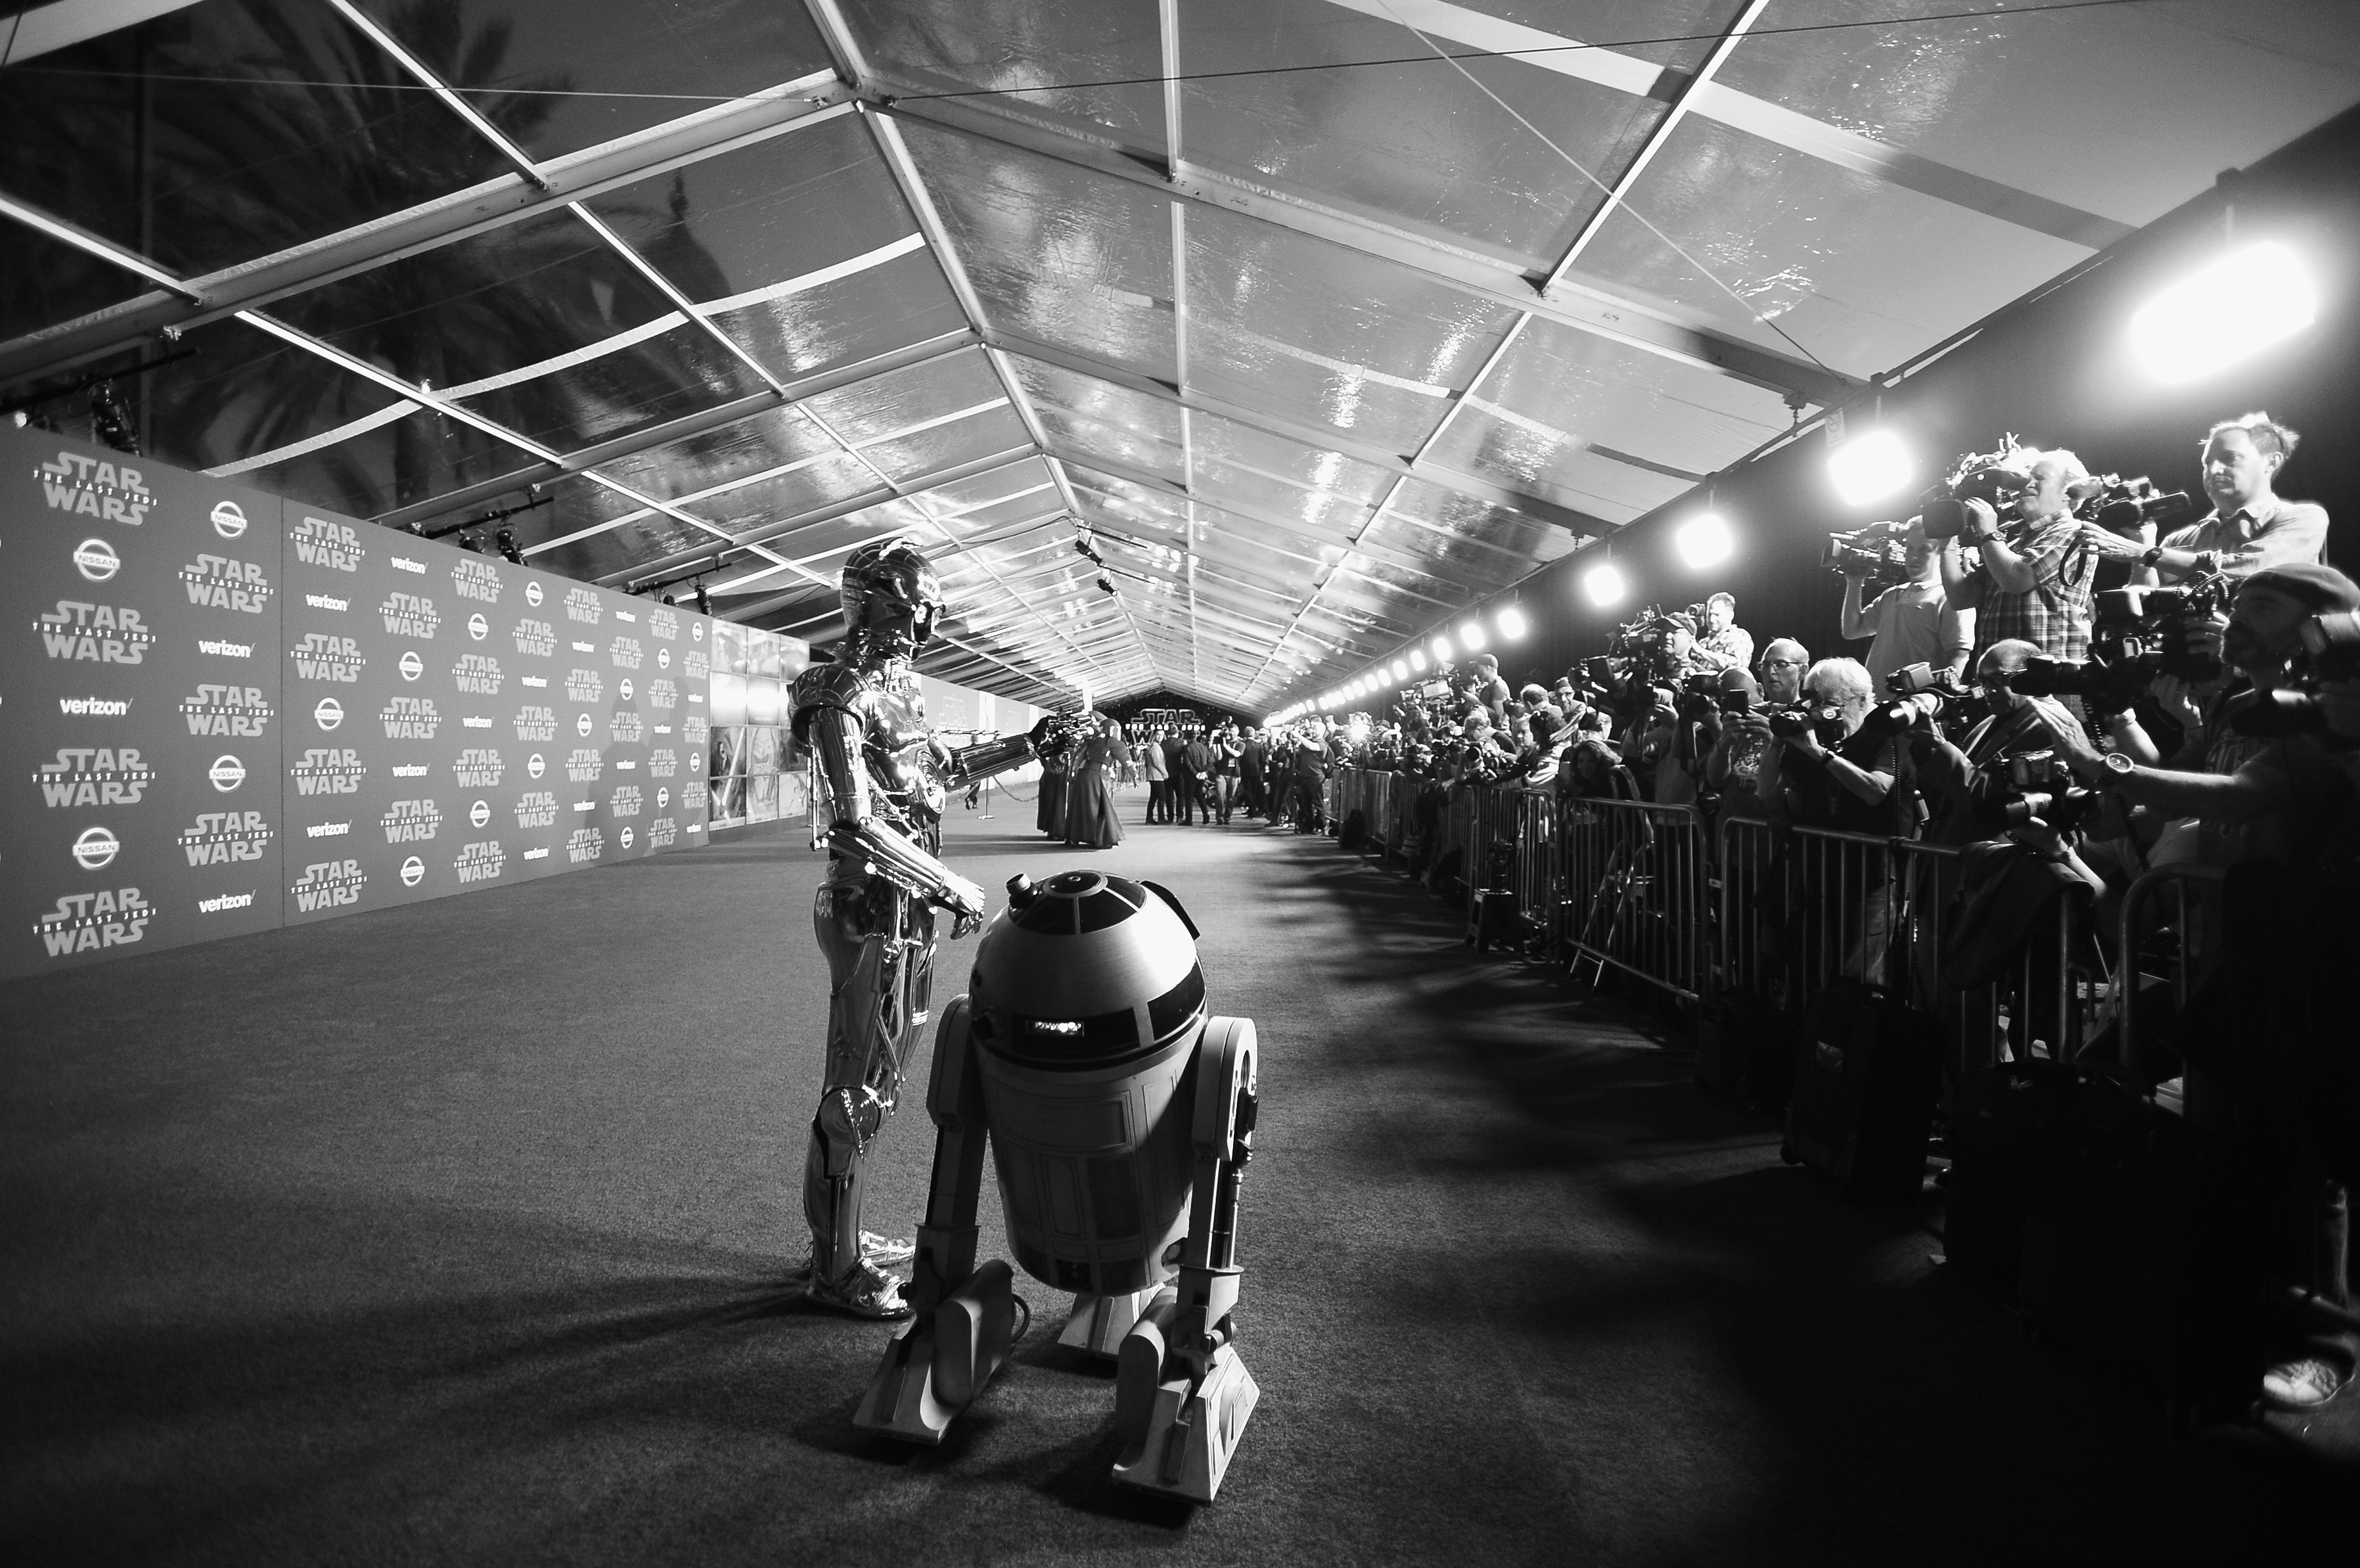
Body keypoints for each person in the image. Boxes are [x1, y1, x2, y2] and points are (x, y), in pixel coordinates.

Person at [787, 538, 989, 1318]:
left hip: (908, 912)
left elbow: (941, 774)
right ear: (866, 601)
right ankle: (834, 1267)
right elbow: (855, 820)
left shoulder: (900, 696)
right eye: (905, 607)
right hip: (868, 906)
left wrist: (1033, 743)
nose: (917, 626)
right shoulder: (836, 691)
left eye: (925, 612)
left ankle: (834, 1242)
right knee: (858, 1087)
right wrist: (951, 882)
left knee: (882, 1084)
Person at [2098, 412, 2328, 587]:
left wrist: (2145, 553)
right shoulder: (2177, 541)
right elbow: (2145, 609)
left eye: (2230, 458)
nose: (2214, 469)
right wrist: (2144, 542)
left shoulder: (2303, 519)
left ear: (2271, 462)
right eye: (2207, 463)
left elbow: (2252, 569)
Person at [1943, 447, 2098, 667]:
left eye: (2040, 478)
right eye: (2027, 478)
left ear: (2068, 493)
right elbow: (1962, 597)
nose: (2028, 484)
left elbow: (2018, 579)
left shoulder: (2074, 532)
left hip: (2050, 682)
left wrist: (1989, 533)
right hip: (2003, 680)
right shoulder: (2011, 546)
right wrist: (1946, 543)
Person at [1841, 520, 1970, 697]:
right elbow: (1852, 630)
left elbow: (1958, 657)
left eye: (1924, 549)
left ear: (1942, 552)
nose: (1913, 557)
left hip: (1914, 708)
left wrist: (1935, 702)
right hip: (1875, 702)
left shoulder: (1951, 598)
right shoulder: (1892, 595)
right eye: (1910, 548)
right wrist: (1854, 583)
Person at [1064, 712, 1127, 850]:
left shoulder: (1091, 741)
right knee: (1101, 809)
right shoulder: (1108, 742)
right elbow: (1124, 760)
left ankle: (1075, 837)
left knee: (1080, 808)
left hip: (1084, 775)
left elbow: (1077, 758)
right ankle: (1099, 839)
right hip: (1099, 777)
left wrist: (1072, 773)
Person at [1681, 592, 1755, 675]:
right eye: (1709, 614)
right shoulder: (1703, 643)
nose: (1712, 620)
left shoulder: (1740, 636)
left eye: (1717, 615)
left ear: (1731, 615)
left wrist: (1700, 651)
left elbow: (1735, 667)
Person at [1757, 638, 1810, 707]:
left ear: (1802, 671)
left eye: (1781, 665)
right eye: (1766, 665)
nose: (1771, 671)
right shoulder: (1751, 714)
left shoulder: (1813, 715)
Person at [1178, 728, 1215, 825]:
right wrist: (1204, 773)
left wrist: (1196, 774)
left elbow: (1187, 763)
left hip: (1191, 776)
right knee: (1199, 795)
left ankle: (1189, 820)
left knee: (1189, 798)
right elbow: (1210, 762)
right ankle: (1206, 815)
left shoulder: (1187, 748)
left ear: (1187, 737)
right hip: (1202, 775)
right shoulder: (1203, 747)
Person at [1142, 725, 1170, 823]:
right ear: (1154, 735)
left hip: (1154, 775)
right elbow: (1157, 762)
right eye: (1158, 734)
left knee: (1154, 797)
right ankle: (1161, 818)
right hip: (1156, 775)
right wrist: (1165, 773)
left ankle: (1149, 818)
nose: (1160, 737)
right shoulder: (1155, 747)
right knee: (1162, 797)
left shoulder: (1155, 746)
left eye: (1162, 735)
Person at [1240, 726, 1269, 818]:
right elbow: (1263, 760)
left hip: (1245, 771)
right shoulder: (1259, 746)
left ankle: (1251, 811)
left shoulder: (1243, 745)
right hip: (1257, 772)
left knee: (1248, 792)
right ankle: (1255, 810)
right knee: (1255, 791)